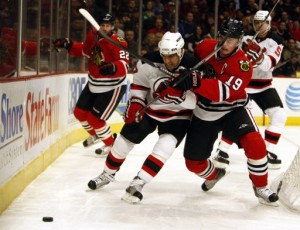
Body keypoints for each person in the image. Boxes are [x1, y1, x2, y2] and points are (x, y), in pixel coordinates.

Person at [159, 18, 279, 206]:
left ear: (239, 41)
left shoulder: (242, 63)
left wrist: (194, 82)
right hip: (204, 112)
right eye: (223, 37)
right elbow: (188, 61)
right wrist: (180, 74)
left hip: (233, 109)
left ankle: (261, 186)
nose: (225, 43)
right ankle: (216, 174)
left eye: (231, 40)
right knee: (193, 163)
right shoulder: (205, 46)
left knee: (255, 143)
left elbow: (223, 92)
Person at [87, 32, 199, 203]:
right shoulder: (149, 61)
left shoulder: (195, 65)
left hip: (179, 116)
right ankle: (107, 174)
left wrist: (181, 95)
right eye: (165, 56)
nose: (168, 61)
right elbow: (139, 85)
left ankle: (139, 182)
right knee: (122, 142)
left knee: (165, 147)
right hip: (150, 110)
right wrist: (137, 103)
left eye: (172, 56)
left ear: (181, 51)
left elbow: (198, 100)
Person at [213, 10, 286, 169]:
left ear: (269, 23)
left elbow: (268, 65)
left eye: (262, 22)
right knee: (239, 118)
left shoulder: (276, 42)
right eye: (257, 22)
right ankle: (222, 151)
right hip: (244, 85)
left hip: (264, 86)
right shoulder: (244, 39)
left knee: (279, 115)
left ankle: (267, 152)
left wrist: (259, 56)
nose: (259, 25)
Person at [53, 13, 129, 155]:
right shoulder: (92, 36)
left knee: (95, 119)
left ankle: (112, 145)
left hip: (112, 86)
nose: (105, 28)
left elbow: (124, 65)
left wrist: (113, 67)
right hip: (94, 83)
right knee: (79, 113)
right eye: (103, 25)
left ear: (112, 27)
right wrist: (69, 45)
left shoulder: (119, 41)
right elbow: (84, 51)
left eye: (108, 25)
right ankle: (96, 134)